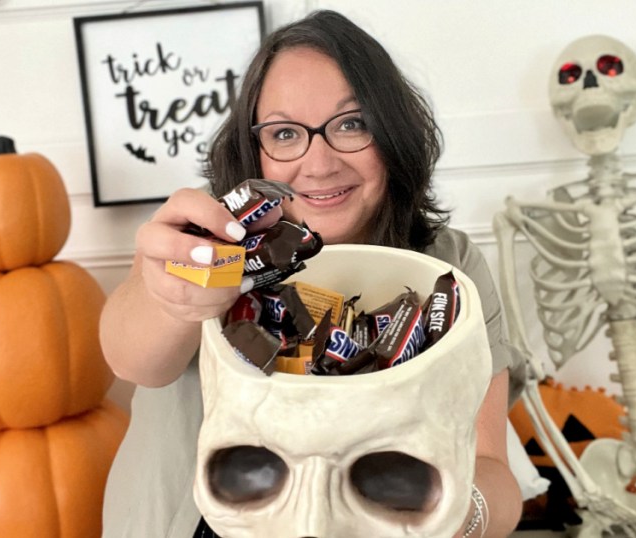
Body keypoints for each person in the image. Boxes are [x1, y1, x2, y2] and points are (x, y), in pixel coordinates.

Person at [99, 9, 523, 537]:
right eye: (283, 133)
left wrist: (451, 515)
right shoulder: (209, 236)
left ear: (392, 132)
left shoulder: (449, 265)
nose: (318, 164)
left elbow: (492, 470)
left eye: (352, 124)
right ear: (255, 149)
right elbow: (131, 357)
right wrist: (175, 298)